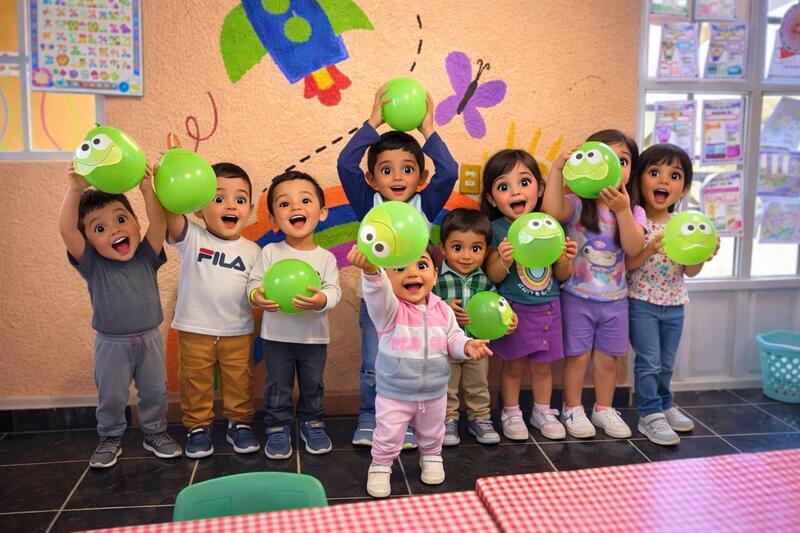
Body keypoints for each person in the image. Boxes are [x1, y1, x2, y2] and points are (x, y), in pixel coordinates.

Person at [337, 85, 458, 448]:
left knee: (411, 362)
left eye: (407, 169)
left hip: (418, 304)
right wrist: (374, 121)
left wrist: (428, 128)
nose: (397, 177)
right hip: (377, 304)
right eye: (386, 170)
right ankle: (370, 415)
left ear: (420, 177)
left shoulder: (426, 203)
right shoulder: (366, 201)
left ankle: (404, 419)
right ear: (373, 178)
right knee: (375, 363)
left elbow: (449, 171)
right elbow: (345, 164)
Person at [59, 162, 181, 468]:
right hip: (111, 343)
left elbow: (159, 225)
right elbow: (65, 229)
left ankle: (155, 432)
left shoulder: (146, 256)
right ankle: (110, 437)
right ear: (87, 240)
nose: (114, 229)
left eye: (121, 219)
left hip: (150, 339)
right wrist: (75, 189)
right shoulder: (92, 264)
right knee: (112, 395)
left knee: (155, 391)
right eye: (100, 228)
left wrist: (146, 189)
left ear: (136, 223)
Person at [347, 244, 492, 498]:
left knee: (432, 430)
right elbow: (377, 293)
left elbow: (453, 339)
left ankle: (432, 457)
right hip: (395, 392)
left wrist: (467, 346)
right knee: (389, 432)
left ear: (435, 274)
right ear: (388, 277)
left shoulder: (443, 311)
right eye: (400, 268)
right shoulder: (389, 311)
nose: (412, 273)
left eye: (422, 265)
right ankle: (381, 465)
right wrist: (371, 271)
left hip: (434, 391)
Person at [541, 129, 645, 439]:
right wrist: (558, 168)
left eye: (623, 161)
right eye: (607, 158)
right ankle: (572, 408)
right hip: (576, 296)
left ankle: (603, 409)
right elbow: (550, 211)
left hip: (615, 300)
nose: (616, 166)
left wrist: (623, 210)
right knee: (577, 358)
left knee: (607, 360)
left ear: (631, 170)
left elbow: (633, 247)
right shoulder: (575, 204)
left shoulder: (634, 210)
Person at [162, 162, 261, 458]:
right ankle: (197, 427)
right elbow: (171, 212)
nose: (230, 205)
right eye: (218, 198)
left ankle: (239, 424)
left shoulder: (254, 251)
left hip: (238, 331)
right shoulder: (192, 236)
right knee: (195, 380)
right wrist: (170, 177)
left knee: (239, 380)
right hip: (196, 329)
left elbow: (257, 291)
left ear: (251, 209)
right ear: (198, 209)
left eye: (240, 200)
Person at [482, 150, 578, 441]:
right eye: (503, 187)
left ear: (539, 188)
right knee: (513, 366)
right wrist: (503, 260)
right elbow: (493, 275)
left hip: (548, 308)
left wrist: (565, 259)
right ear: (491, 199)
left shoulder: (552, 228)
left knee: (543, 366)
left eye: (524, 182)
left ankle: (542, 411)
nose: (515, 192)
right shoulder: (497, 229)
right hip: (514, 310)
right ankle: (510, 411)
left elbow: (561, 277)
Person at [626, 144, 718, 445]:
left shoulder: (683, 226)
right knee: (649, 362)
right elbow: (627, 263)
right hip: (641, 301)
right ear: (640, 179)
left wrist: (703, 254)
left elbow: (689, 272)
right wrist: (649, 248)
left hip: (675, 303)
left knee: (666, 363)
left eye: (674, 175)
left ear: (684, 188)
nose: (664, 181)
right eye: (655, 173)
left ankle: (665, 403)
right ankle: (649, 414)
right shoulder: (635, 219)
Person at [247, 171, 341, 459]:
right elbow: (253, 283)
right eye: (285, 204)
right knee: (277, 385)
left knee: (313, 385)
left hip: (314, 338)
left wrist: (320, 300)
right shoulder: (271, 252)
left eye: (305, 200)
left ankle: (312, 422)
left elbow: (334, 291)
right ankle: (278, 426)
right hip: (276, 337)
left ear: (322, 212)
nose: (296, 207)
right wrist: (257, 296)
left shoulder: (325, 257)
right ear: (274, 220)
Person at [433, 208, 505, 446]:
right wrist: (444, 307)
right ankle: (447, 420)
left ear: (486, 251)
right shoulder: (436, 280)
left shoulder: (484, 280)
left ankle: (480, 418)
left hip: (477, 344)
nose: (466, 256)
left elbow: (498, 307)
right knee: (446, 386)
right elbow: (423, 307)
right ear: (443, 249)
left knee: (478, 385)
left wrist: (508, 320)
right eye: (457, 248)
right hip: (445, 346)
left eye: (475, 249)